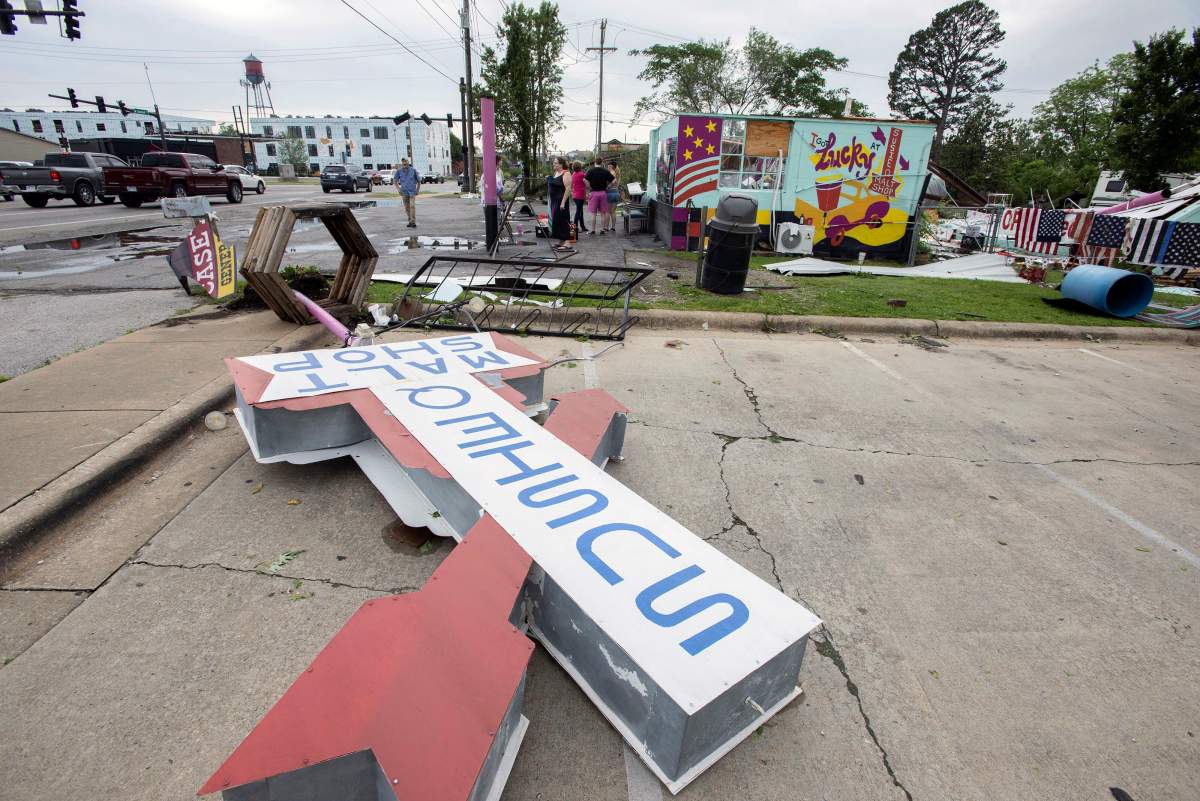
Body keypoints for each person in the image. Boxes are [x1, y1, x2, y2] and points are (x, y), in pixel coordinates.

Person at [547, 156, 572, 251]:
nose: (554, 164)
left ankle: (568, 242)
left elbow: (568, 189)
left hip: (561, 201)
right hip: (554, 201)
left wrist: (563, 202)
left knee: (563, 220)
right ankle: (561, 241)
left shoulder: (566, 173)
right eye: (554, 163)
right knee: (557, 220)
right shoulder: (556, 173)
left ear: (561, 164)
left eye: (556, 163)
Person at [584, 156, 612, 235]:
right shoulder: (605, 171)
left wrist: (589, 187)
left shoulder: (591, 170)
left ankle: (593, 230)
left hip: (594, 193)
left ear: (595, 162)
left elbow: (584, 180)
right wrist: (607, 187)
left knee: (593, 213)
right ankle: (603, 230)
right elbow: (614, 180)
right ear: (602, 162)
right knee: (603, 213)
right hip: (603, 193)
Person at [394, 158, 420, 228]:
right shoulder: (399, 171)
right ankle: (410, 221)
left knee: (412, 206)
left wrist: (417, 190)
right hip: (404, 192)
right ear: (402, 163)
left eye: (405, 161)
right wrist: (398, 189)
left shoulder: (413, 170)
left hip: (412, 192)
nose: (404, 163)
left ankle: (413, 222)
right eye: (403, 162)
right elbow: (395, 181)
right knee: (407, 208)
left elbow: (419, 181)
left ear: (408, 162)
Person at [570, 160, 588, 234]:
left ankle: (582, 226)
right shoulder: (582, 174)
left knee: (580, 211)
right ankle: (575, 229)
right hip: (580, 195)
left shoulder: (573, 174)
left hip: (575, 195)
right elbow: (586, 182)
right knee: (578, 212)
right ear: (580, 167)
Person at [605, 161, 621, 233]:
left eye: (608, 166)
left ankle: (606, 227)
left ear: (611, 166)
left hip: (610, 193)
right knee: (613, 212)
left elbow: (612, 182)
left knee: (608, 211)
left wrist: (607, 187)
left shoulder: (611, 173)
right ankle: (613, 227)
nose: (607, 167)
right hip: (616, 193)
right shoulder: (617, 173)